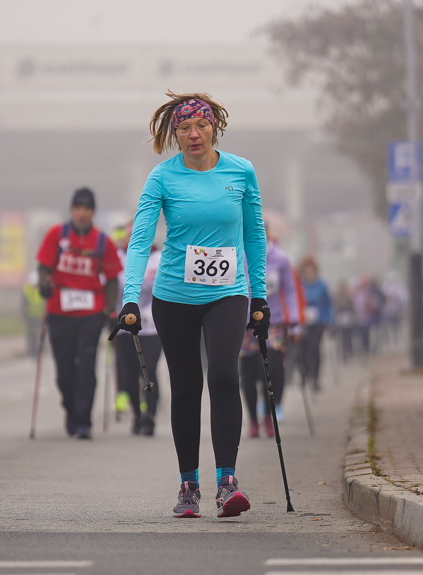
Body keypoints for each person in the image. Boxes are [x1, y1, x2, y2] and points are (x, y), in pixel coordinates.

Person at [116, 91, 268, 519]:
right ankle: (188, 485)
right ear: (174, 134)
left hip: (228, 292)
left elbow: (255, 237)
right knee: (185, 387)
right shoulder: (162, 178)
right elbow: (141, 239)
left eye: (200, 125)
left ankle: (227, 481)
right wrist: (130, 296)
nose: (193, 134)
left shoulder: (241, 171)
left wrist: (261, 297)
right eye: (184, 128)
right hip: (173, 297)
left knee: (223, 374)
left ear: (214, 127)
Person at [35, 187, 122, 440]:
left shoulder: (102, 241)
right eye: (78, 208)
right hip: (59, 312)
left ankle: (84, 420)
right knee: (64, 371)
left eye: (87, 209)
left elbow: (112, 278)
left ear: (93, 212)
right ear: (72, 210)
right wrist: (44, 285)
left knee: (86, 365)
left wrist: (109, 310)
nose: (82, 213)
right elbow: (43, 266)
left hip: (90, 313)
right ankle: (71, 409)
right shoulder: (56, 235)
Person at [240, 232, 298, 438]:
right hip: (246, 325)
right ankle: (253, 421)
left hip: (274, 323)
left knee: (271, 368)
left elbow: (290, 290)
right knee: (247, 374)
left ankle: (268, 415)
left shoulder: (281, 259)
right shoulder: (241, 255)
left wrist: (294, 320)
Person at [113, 225, 164, 436]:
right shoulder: (118, 258)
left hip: (153, 326)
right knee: (129, 374)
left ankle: (150, 415)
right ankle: (136, 414)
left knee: (149, 370)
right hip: (125, 327)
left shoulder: (160, 257)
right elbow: (109, 286)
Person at [299, 256, 331, 392]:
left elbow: (328, 304)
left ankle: (316, 378)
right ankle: (305, 373)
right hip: (303, 322)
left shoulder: (322, 285)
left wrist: (327, 318)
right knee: (303, 349)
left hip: (318, 322)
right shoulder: (300, 285)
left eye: (311, 270)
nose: (309, 272)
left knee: (315, 348)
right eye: (306, 270)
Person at [21, 270, 45, 357]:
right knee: (32, 335)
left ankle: (41, 350)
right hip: (30, 317)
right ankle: (32, 351)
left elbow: (44, 303)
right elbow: (23, 305)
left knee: (41, 335)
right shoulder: (26, 290)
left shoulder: (41, 290)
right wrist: (25, 316)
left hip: (40, 317)